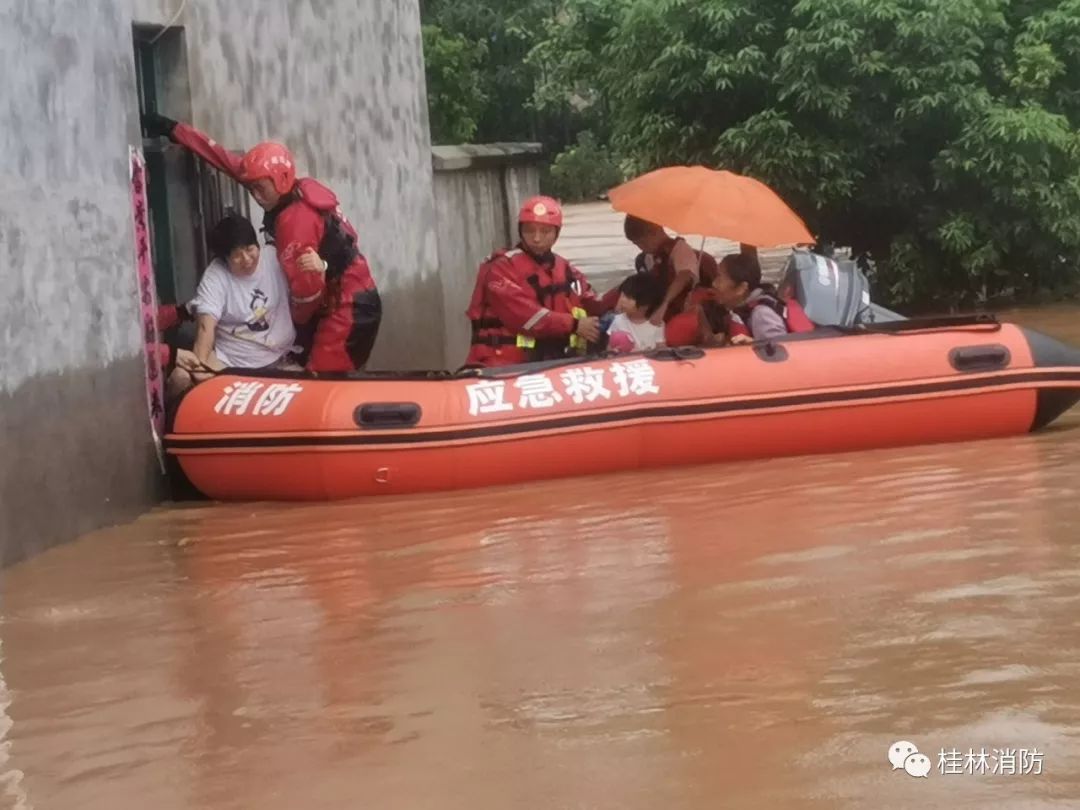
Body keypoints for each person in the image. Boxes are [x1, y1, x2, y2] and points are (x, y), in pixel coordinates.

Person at [141, 113, 380, 372]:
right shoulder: (280, 189)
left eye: (260, 189)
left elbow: (306, 296)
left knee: (320, 381)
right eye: (251, 188)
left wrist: (288, 327)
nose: (255, 195)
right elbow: (226, 161)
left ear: (281, 180)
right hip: (341, 292)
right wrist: (174, 129)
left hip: (345, 307)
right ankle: (181, 312)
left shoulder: (294, 226)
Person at [464, 195, 606, 368]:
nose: (537, 238)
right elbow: (526, 317)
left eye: (545, 231)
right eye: (530, 230)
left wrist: (625, 293)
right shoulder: (500, 268)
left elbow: (592, 301)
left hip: (550, 359)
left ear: (556, 233)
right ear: (520, 231)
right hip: (501, 362)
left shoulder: (564, 267)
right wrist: (574, 324)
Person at [168, 214, 298, 394]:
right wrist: (198, 370)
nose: (246, 259)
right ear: (224, 259)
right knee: (180, 378)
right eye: (237, 255)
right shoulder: (215, 276)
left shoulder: (275, 257)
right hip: (231, 364)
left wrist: (321, 265)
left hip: (281, 359)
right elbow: (205, 328)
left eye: (249, 248)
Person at [616, 215, 719, 346]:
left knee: (671, 335)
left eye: (641, 242)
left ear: (654, 232)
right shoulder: (648, 258)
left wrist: (664, 305)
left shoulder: (680, 249)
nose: (640, 248)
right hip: (657, 306)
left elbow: (684, 276)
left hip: (683, 307)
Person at [709, 252, 815, 343]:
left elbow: (782, 353)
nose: (714, 283)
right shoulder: (742, 309)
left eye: (720, 278)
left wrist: (753, 344)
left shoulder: (761, 314)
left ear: (741, 288)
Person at [605, 273, 667, 353]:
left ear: (645, 304)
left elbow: (662, 350)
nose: (622, 301)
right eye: (622, 295)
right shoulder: (618, 321)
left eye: (629, 298)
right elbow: (610, 349)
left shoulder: (656, 324)